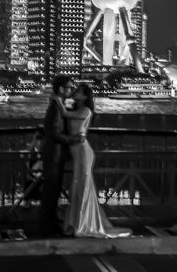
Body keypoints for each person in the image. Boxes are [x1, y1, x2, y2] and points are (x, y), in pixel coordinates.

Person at [52, 83, 131, 238]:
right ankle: (77, 222)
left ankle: (80, 223)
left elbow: (65, 114)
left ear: (86, 96)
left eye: (78, 92)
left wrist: (57, 99)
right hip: (76, 149)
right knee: (78, 185)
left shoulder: (86, 110)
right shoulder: (77, 109)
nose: (75, 92)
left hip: (82, 150)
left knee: (81, 186)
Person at [40, 75, 82, 236]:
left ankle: (51, 225)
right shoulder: (55, 107)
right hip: (54, 155)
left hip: (55, 154)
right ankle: (47, 227)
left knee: (54, 191)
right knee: (51, 192)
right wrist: (74, 139)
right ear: (60, 89)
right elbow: (55, 134)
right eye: (69, 87)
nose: (72, 90)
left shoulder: (59, 104)